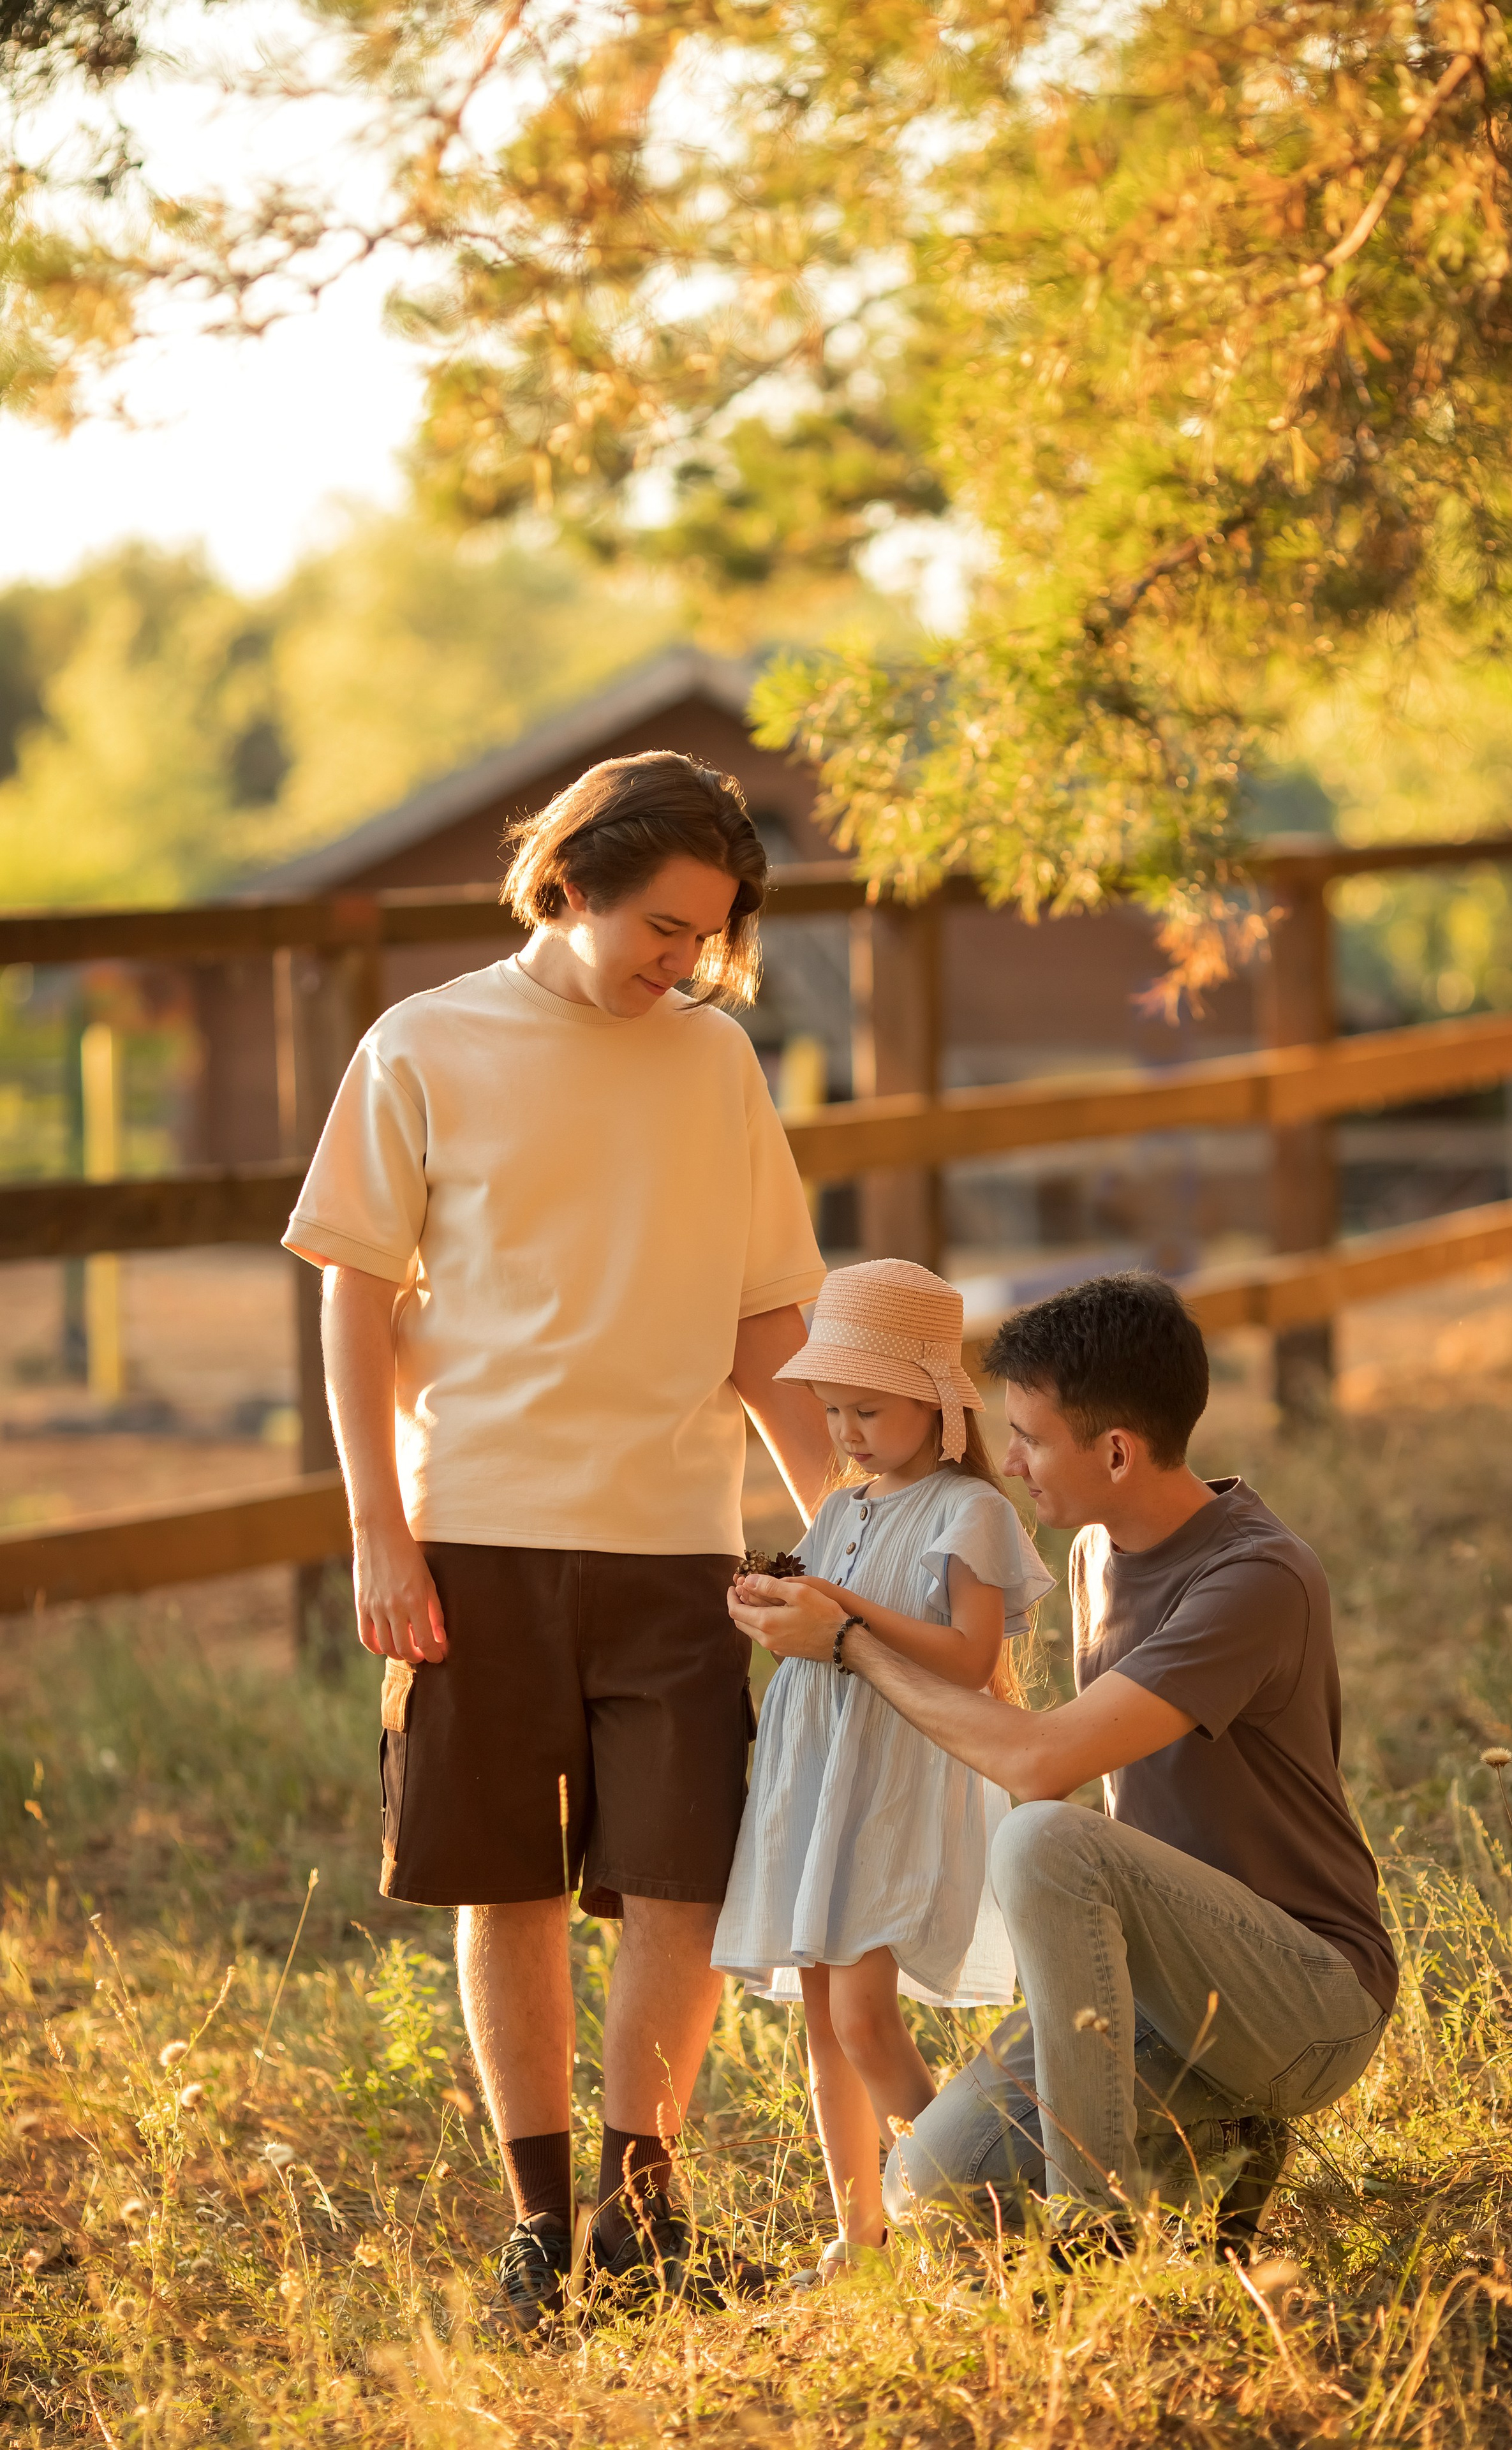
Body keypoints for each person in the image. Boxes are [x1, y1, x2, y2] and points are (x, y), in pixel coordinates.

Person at [282, 752, 833, 2329]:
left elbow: (763, 1317)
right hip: (474, 1528)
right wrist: (378, 1532)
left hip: (677, 1539)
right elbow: (352, 1294)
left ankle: (642, 2217)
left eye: (711, 936)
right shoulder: (424, 1045)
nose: (688, 962)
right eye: (663, 926)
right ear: (572, 879)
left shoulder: (718, 1065)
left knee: (685, 1878)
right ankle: (541, 2233)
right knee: (504, 1883)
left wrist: (849, 1531)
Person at [729, 1271, 1396, 2252]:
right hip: (1163, 1993)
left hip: (1304, 1998)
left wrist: (849, 1643)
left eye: (1031, 1438)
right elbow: (1024, 1734)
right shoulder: (1093, 1555)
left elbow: (1042, 1772)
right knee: (931, 2193)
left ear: (1116, 1451)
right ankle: (1216, 2137)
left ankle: (1098, 2229)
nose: (1008, 1459)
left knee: (1044, 1837)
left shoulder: (1255, 1579)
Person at [715, 1261, 1052, 2280]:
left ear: (938, 1405)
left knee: (863, 2013)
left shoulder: (968, 1513)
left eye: (867, 1408)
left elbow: (970, 1658)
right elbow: (822, 1629)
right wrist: (777, 1611)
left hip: (895, 1775)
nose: (846, 1430)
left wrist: (842, 1615)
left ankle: (990, 2215)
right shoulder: (843, 1505)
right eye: (831, 1409)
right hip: (821, 1776)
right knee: (824, 2016)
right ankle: (862, 2232)